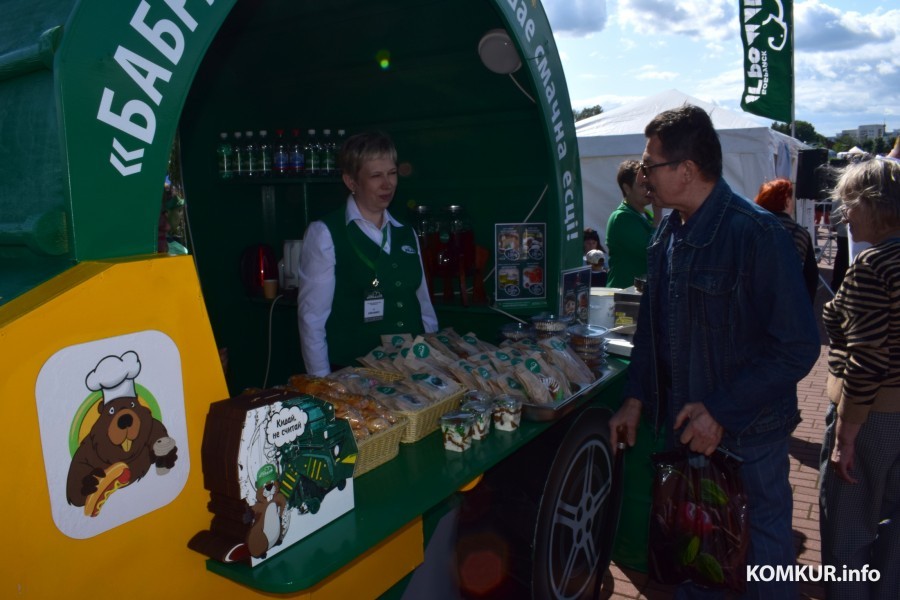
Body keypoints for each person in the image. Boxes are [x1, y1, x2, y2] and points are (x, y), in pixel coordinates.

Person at [608, 105, 820, 599]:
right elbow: (651, 332)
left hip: (750, 442)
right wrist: (636, 398)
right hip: (687, 437)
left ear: (686, 170)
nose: (642, 176)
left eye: (649, 165)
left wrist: (720, 411)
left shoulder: (757, 234)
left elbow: (797, 346)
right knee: (698, 563)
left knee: (765, 565)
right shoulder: (667, 233)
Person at [819, 156, 900, 600]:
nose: (845, 214)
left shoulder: (871, 266)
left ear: (875, 205)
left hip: (872, 419)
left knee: (848, 533)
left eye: (850, 203)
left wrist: (846, 434)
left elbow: (866, 358)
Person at [296, 131, 438, 376]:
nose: (388, 184)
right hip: (355, 375)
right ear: (351, 182)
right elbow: (312, 319)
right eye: (376, 176)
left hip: (411, 370)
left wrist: (435, 359)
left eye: (392, 173)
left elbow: (423, 302)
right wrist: (321, 383)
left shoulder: (406, 232)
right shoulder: (325, 233)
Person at [754, 178, 818, 302]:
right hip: (789, 300)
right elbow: (811, 275)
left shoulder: (752, 227)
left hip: (755, 300)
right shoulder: (800, 233)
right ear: (787, 201)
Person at [605, 159, 658, 288]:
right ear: (627, 188)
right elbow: (653, 252)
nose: (648, 189)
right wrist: (658, 211)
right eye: (642, 185)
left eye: (649, 184)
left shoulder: (645, 214)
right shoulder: (621, 217)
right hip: (624, 295)